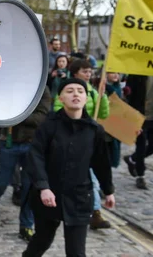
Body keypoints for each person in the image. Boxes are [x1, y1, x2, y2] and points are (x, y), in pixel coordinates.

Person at [23, 78, 115, 257]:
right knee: (41, 241)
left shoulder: (94, 130)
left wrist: (108, 190)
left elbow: (101, 163)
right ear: (61, 98)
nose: (76, 95)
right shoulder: (49, 125)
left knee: (76, 252)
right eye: (70, 91)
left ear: (86, 98)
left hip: (79, 197)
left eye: (80, 91)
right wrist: (44, 187)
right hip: (49, 196)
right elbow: (36, 155)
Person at [0, 87, 51, 242]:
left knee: (29, 187)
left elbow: (41, 117)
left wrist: (17, 115)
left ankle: (26, 225)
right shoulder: (9, 85)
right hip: (8, 142)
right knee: (2, 181)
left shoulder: (42, 89)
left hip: (32, 144)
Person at [53, 58, 111, 230]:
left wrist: (102, 96)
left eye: (90, 71)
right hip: (71, 140)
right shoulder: (67, 89)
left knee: (93, 179)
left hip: (89, 140)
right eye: (85, 71)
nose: (89, 74)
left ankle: (95, 213)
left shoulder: (92, 92)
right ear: (76, 72)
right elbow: (58, 110)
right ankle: (91, 211)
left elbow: (103, 114)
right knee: (87, 179)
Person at [123, 75, 153, 190]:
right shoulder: (136, 74)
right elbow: (129, 95)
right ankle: (140, 176)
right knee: (141, 147)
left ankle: (132, 159)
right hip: (139, 117)